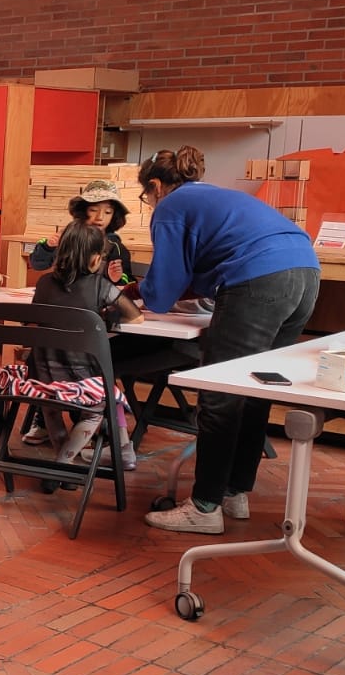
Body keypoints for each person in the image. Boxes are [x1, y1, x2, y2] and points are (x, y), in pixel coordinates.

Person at [138, 146, 319, 535]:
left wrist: (133, 291)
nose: (149, 203)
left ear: (155, 186)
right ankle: (234, 491)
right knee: (254, 387)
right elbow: (205, 265)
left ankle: (204, 508)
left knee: (220, 393)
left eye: (146, 196)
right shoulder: (216, 196)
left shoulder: (170, 206)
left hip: (261, 277)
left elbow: (162, 292)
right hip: (305, 273)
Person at [28, 221, 142, 469]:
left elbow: (31, 317)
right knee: (99, 406)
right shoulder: (99, 286)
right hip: (82, 380)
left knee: (50, 406)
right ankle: (62, 464)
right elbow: (135, 315)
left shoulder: (44, 283)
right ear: (92, 259)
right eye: (100, 255)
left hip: (41, 380)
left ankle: (63, 463)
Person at [28, 180, 136, 284]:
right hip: (62, 296)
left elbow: (127, 281)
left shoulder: (115, 247)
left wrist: (116, 278)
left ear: (114, 216)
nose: (100, 217)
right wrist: (48, 247)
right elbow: (37, 264)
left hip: (96, 299)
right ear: (83, 210)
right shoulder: (66, 236)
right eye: (93, 210)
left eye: (108, 212)